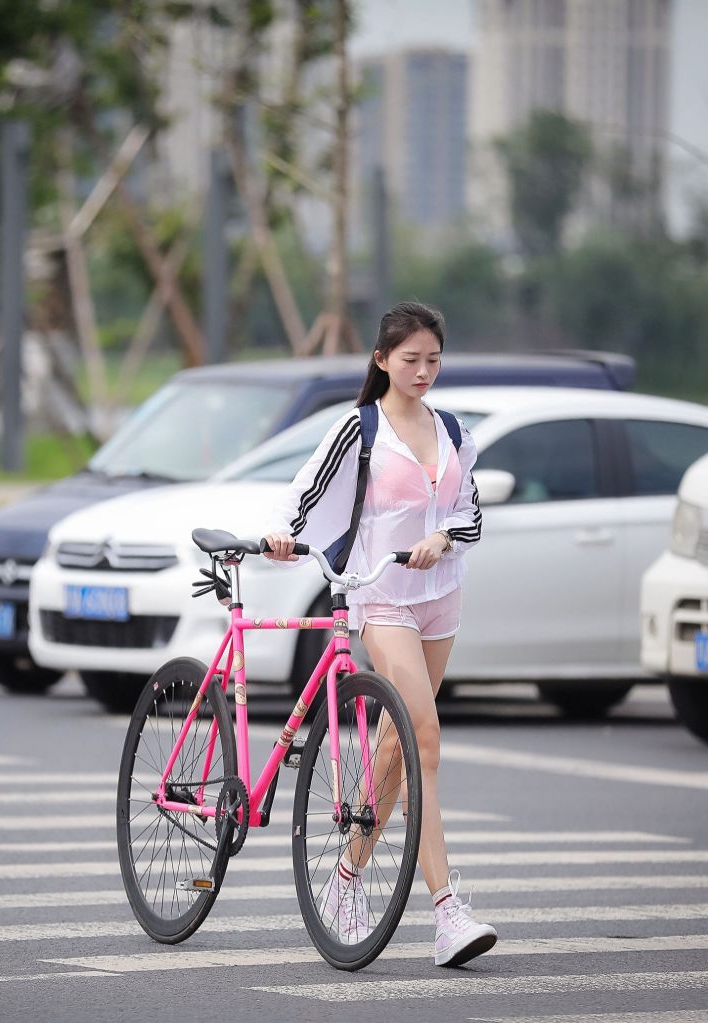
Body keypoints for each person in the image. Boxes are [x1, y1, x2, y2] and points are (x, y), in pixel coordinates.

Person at [264, 300, 497, 968]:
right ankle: (447, 911)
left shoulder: (452, 430)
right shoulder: (359, 427)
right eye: (410, 359)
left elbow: (471, 515)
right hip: (382, 595)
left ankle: (345, 877)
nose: (423, 371)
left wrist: (441, 538)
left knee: (397, 746)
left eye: (433, 360)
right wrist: (283, 535)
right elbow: (305, 493)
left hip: (441, 598)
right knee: (425, 736)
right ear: (382, 360)